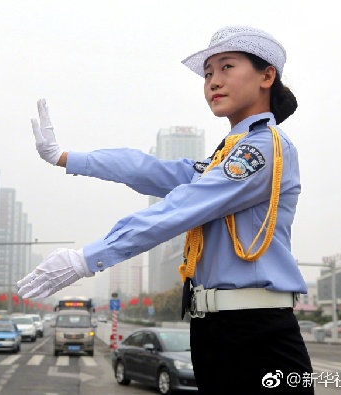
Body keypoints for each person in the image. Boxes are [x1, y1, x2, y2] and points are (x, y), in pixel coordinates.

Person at [17, 25, 313, 393]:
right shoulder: (226, 155)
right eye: (207, 74)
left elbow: (184, 206)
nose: (212, 82)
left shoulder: (263, 149)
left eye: (226, 67)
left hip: (256, 332)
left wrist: (87, 258)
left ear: (267, 75)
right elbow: (150, 169)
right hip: (217, 328)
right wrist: (65, 157)